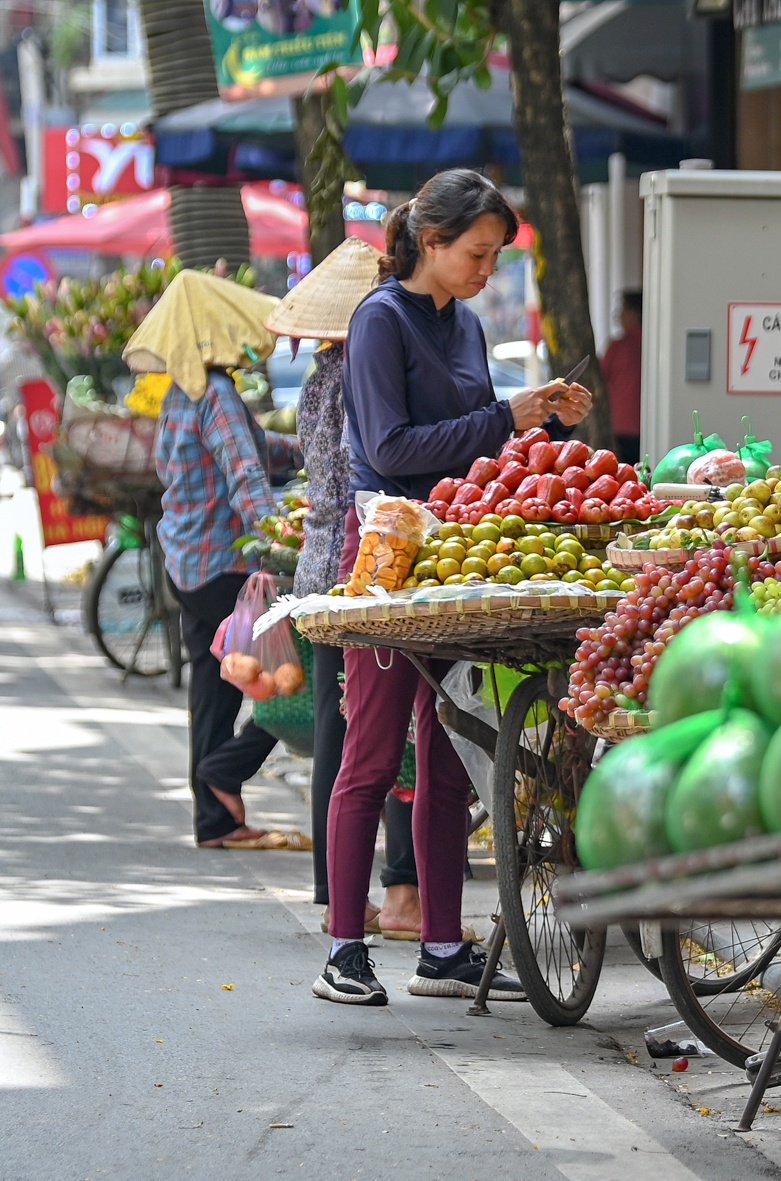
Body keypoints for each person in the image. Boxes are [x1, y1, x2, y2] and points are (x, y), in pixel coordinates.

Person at [314, 169, 592, 1006]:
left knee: (445, 759)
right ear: (429, 243)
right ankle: (344, 948)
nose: (485, 270)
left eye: (494, 257)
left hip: (457, 554)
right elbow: (393, 449)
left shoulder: (466, 326)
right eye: (475, 253)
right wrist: (510, 416)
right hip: (392, 556)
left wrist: (536, 432)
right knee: (370, 752)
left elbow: (468, 448)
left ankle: (441, 944)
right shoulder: (379, 320)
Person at [265, 237, 423, 936]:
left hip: (316, 560)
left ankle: (336, 888)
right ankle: (394, 888)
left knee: (340, 728)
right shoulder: (364, 367)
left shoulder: (317, 377)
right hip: (363, 561)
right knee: (384, 732)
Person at [137, 270, 304, 849]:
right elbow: (248, 480)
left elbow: (257, 449)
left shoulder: (186, 392)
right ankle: (225, 770)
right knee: (293, 679)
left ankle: (216, 819)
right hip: (223, 568)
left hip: (185, 561)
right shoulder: (218, 394)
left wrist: (313, 449)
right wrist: (281, 541)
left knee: (215, 684)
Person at [601, 290, 643, 463]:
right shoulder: (652, 346)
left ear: (635, 314)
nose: (618, 316)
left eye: (623, 310)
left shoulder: (618, 347)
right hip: (645, 426)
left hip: (621, 426)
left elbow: (601, 378)